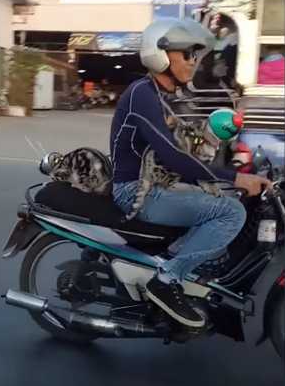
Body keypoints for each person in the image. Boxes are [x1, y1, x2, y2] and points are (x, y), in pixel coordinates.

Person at [109, 18, 271, 328]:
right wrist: (236, 177)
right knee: (231, 213)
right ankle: (166, 279)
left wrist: (228, 164)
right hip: (135, 193)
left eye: (196, 55)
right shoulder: (142, 94)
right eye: (187, 54)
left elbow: (189, 145)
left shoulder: (163, 97)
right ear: (161, 55)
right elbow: (174, 156)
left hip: (156, 185)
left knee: (225, 195)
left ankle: (180, 262)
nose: (194, 62)